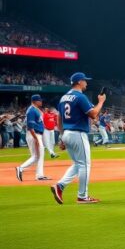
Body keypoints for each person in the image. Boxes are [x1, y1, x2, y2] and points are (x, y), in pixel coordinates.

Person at [50, 72, 107, 204]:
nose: (86, 83)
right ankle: (82, 196)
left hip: (67, 133)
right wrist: (101, 102)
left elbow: (59, 118)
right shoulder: (80, 97)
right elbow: (93, 114)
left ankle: (60, 186)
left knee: (77, 164)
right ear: (79, 82)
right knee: (85, 165)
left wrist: (61, 137)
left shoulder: (64, 97)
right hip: (78, 133)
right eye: (85, 80)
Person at [15, 95, 49, 181]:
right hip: (34, 134)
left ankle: (39, 175)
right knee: (35, 156)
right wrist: (36, 139)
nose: (41, 101)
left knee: (39, 155)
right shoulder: (31, 111)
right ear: (34, 101)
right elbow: (30, 127)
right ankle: (21, 168)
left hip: (37, 134)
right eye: (39, 100)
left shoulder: (36, 110)